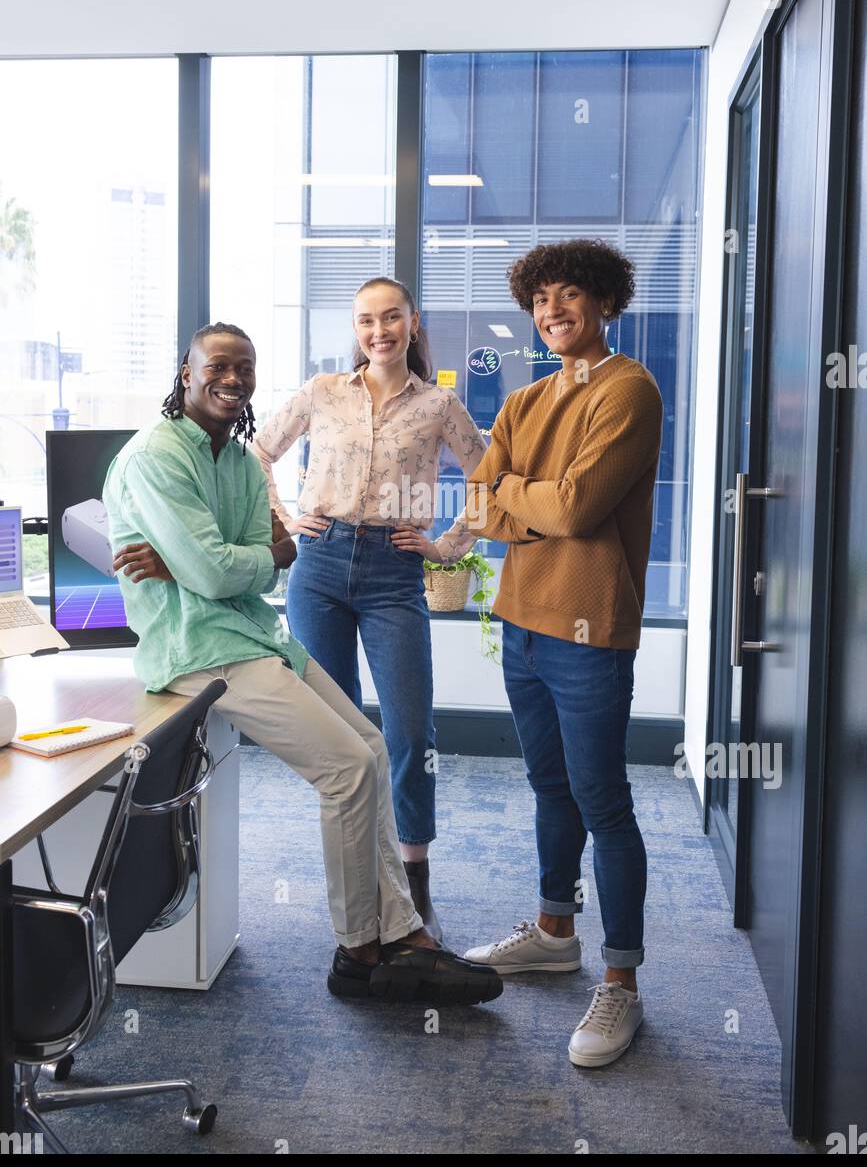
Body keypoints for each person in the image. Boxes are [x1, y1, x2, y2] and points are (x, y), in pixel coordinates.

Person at [102, 320, 502, 1008]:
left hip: (253, 633)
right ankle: (358, 952)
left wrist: (213, 565)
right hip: (198, 649)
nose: (233, 380)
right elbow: (235, 565)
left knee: (373, 747)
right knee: (344, 770)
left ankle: (401, 928)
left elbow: (249, 572)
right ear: (186, 372)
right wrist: (218, 565)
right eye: (218, 367)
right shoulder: (156, 456)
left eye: (245, 368)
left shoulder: (232, 459)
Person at [450, 240, 663, 1067]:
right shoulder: (523, 398)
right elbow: (477, 505)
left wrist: (509, 499)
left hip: (588, 629)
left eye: (569, 296)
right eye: (540, 301)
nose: (552, 312)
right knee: (547, 786)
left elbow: (575, 510)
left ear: (603, 302)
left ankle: (622, 984)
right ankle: (552, 930)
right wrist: (513, 501)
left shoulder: (629, 389)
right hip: (521, 624)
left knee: (602, 801)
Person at [250, 278, 488, 940]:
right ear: (354, 328)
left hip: (393, 569)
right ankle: (361, 875)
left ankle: (413, 876)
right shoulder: (323, 392)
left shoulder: (439, 404)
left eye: (390, 318)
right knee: (338, 731)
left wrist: (445, 546)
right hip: (320, 566)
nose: (378, 330)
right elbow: (258, 450)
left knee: (410, 731)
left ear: (412, 322)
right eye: (365, 320)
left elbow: (488, 476)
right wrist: (284, 519)